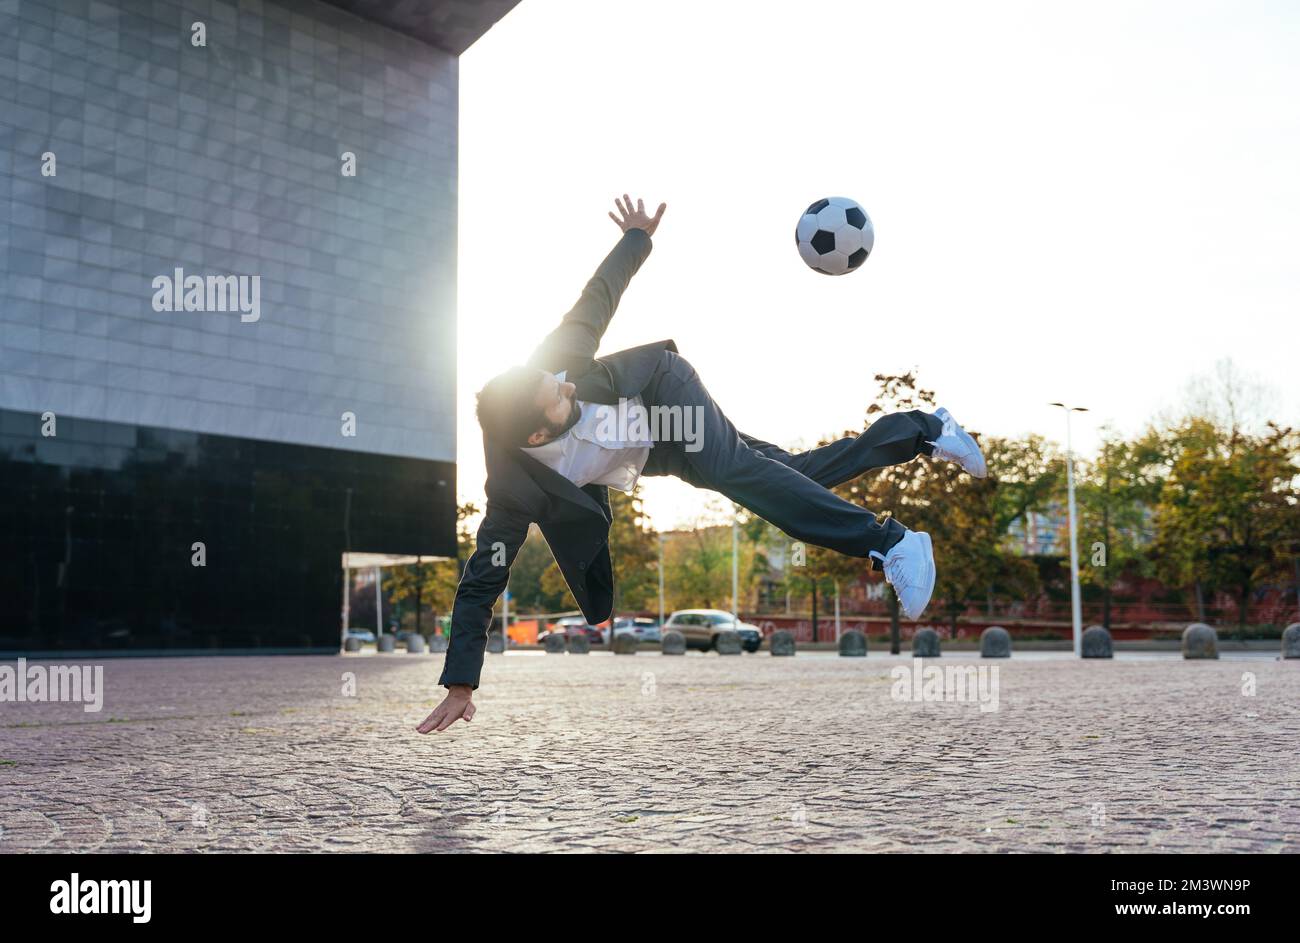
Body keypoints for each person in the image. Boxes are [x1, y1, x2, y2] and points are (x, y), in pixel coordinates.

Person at [417, 194, 986, 734]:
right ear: (537, 432)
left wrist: (636, 238)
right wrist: (462, 684)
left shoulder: (551, 365)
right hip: (654, 449)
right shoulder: (512, 492)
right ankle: (926, 430)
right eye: (557, 395)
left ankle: (889, 541)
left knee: (739, 475)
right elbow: (482, 580)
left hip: (664, 394)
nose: (564, 381)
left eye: (556, 377)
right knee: (793, 475)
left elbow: (596, 300)